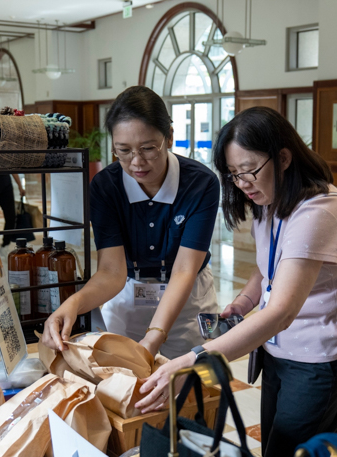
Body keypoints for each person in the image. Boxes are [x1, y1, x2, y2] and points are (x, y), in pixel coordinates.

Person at [137, 106, 337, 457]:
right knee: (276, 456)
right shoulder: (271, 200)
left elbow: (279, 313)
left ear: (284, 158)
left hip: (318, 357)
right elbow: (269, 265)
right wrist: (244, 302)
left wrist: (193, 361)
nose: (242, 182)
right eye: (233, 174)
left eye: (249, 170)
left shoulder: (319, 212)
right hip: (279, 349)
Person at [40, 86, 219, 359]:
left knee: (185, 389)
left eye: (148, 148)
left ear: (169, 137)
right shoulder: (106, 186)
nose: (136, 162)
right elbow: (112, 271)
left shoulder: (200, 183)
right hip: (127, 301)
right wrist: (73, 304)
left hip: (186, 304)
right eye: (123, 150)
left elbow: (184, 270)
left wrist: (154, 336)